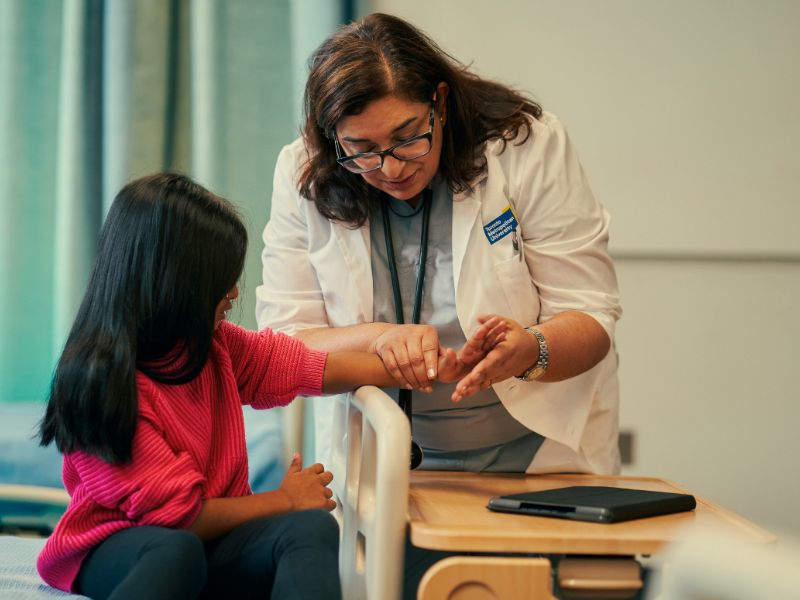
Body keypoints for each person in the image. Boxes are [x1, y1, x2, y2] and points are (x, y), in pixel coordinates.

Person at [37, 173, 505, 600]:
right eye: (222, 281)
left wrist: (419, 368)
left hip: (203, 544)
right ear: (173, 284)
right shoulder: (101, 381)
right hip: (116, 548)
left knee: (311, 529)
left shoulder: (212, 346)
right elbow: (176, 515)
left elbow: (305, 366)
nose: (235, 293)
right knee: (173, 551)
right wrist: (282, 499)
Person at [257, 12, 621, 479]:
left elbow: (591, 314)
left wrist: (530, 349)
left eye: (408, 138)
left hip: (542, 455)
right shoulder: (303, 170)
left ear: (440, 103)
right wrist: (380, 338)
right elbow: (283, 344)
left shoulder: (524, 147)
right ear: (333, 141)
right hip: (383, 457)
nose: (389, 169)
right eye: (362, 149)